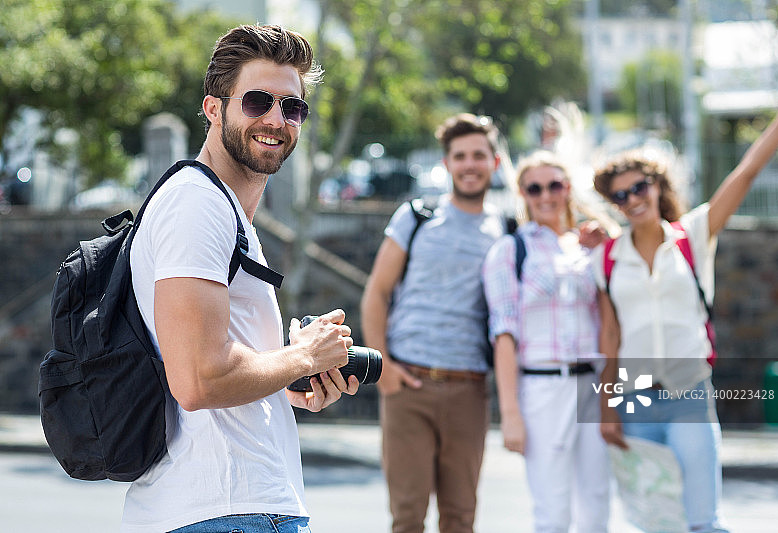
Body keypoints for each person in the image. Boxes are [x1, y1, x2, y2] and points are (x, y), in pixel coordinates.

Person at [124, 24, 359, 532]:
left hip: (228, 507)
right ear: (214, 108)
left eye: (292, 107)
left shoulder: (223, 210)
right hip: (227, 511)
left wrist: (289, 382)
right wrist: (305, 354)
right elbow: (198, 379)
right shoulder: (198, 203)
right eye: (257, 101)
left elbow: (212, 367)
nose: (276, 119)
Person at [592, 64, 778, 533]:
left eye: (639, 187)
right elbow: (610, 336)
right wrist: (606, 410)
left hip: (689, 396)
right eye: (620, 195)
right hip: (633, 402)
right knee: (655, 523)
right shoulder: (605, 257)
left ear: (658, 186)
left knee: (704, 522)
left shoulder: (693, 235)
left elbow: (745, 173)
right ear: (615, 204)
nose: (632, 199)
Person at [360, 113, 506, 533]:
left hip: (469, 388)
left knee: (461, 518)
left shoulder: (506, 230)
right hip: (409, 387)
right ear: (447, 164)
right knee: (407, 518)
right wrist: (384, 369)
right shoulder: (417, 215)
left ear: (494, 163)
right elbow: (377, 293)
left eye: (479, 155)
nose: (469, 164)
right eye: (460, 156)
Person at [482, 151, 610, 533]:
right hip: (542, 388)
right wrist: (511, 414)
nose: (545, 195)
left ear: (567, 188)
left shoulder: (589, 246)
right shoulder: (509, 252)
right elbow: (503, 335)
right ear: (522, 193)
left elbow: (611, 315)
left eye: (554, 184)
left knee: (597, 507)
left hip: (595, 384)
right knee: (553, 513)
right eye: (534, 188)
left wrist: (603, 235)